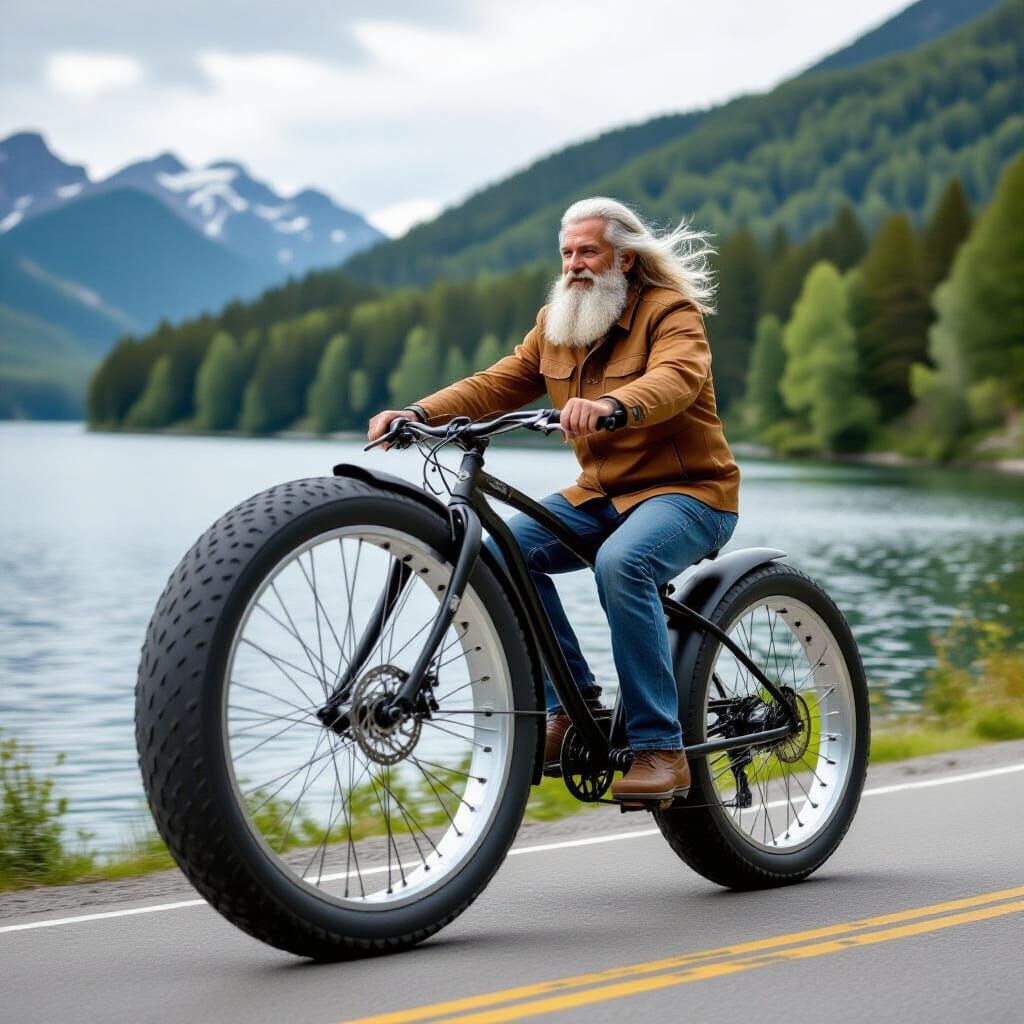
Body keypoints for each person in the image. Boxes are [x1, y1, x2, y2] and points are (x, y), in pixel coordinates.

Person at [367, 196, 740, 803]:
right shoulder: (558, 324)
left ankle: (660, 747)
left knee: (625, 563)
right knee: (498, 554)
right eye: (567, 253)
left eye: (588, 251)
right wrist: (418, 414)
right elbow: (499, 382)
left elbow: (677, 379)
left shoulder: (672, 314)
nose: (574, 265)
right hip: (601, 494)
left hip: (690, 493)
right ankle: (570, 707)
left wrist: (614, 406)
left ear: (623, 259)